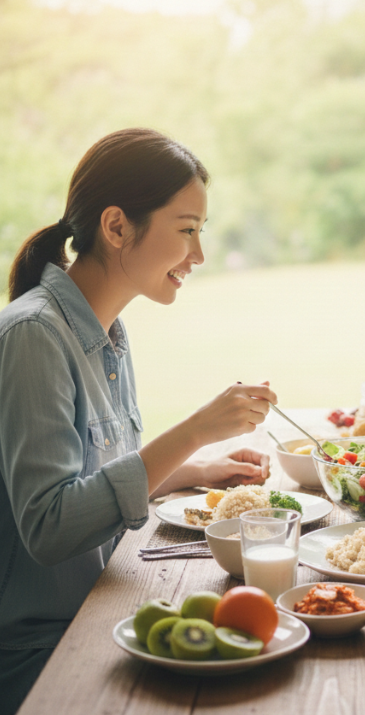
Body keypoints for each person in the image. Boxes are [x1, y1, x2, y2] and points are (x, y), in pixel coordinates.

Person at [0, 128, 278, 715]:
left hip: (102, 614)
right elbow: (50, 527)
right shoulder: (33, 337)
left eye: (200, 232)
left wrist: (191, 466)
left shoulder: (109, 335)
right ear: (117, 226)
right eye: (186, 231)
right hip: (41, 655)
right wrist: (192, 432)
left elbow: (93, 479)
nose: (198, 256)